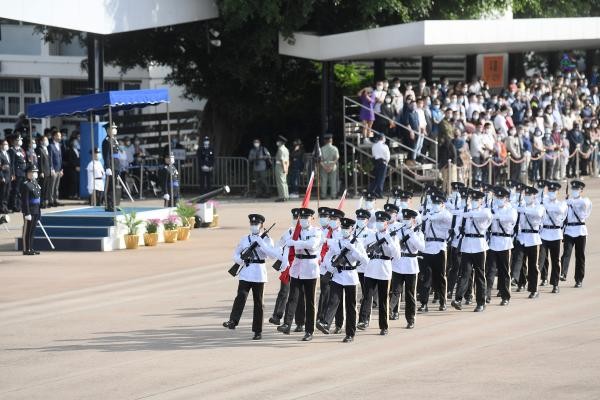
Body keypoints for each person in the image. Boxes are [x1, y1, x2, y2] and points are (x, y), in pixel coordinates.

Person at [222, 214, 279, 340]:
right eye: (252, 224)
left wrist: (261, 243)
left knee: (258, 303)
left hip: (259, 274)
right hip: (246, 272)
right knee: (240, 297)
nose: (254, 226)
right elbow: (236, 254)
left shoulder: (267, 240)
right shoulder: (244, 239)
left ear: (262, 225)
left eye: (256, 224)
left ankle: (258, 331)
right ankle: (233, 321)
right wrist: (240, 260)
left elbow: (272, 255)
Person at [316, 217, 369, 342]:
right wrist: (331, 266)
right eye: (343, 228)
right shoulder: (337, 242)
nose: (345, 230)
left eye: (347, 228)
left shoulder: (357, 243)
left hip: (351, 277)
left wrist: (353, 249)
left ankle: (350, 334)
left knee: (351, 306)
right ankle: (326, 323)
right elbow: (327, 257)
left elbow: (365, 260)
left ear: (352, 229)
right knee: (333, 300)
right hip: (338, 275)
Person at [277, 207, 322, 341]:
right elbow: (282, 243)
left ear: (312, 218)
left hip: (310, 268)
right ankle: (287, 324)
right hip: (296, 267)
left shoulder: (316, 231)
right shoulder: (294, 231)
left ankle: (309, 331)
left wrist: (295, 243)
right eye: (301, 218)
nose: (303, 220)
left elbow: (312, 245)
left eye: (306, 217)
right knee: (292, 297)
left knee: (310, 301)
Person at [357, 211, 400, 335]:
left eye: (382, 221)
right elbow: (362, 247)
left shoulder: (392, 237)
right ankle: (363, 320)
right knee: (367, 296)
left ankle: (384, 326)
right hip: (371, 268)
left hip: (384, 270)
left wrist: (389, 242)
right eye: (378, 221)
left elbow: (397, 255)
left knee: (383, 299)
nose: (379, 223)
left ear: (387, 223)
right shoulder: (372, 235)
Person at [451, 189, 492, 312]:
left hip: (479, 246)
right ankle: (458, 299)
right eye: (472, 199)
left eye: (476, 200)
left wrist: (468, 214)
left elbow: (487, 216)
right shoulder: (466, 212)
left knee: (480, 275)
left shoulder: (484, 211)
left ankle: (481, 302)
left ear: (481, 201)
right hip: (467, 245)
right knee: (464, 274)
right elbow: (457, 226)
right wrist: (460, 229)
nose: (474, 202)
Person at [269, 208, 305, 330]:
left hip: (299, 267)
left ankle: (300, 323)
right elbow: (278, 247)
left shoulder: (304, 233)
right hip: (287, 266)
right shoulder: (287, 233)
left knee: (299, 295)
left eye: (298, 218)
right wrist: (282, 257)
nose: (296, 220)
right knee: (283, 292)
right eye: (294, 218)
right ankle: (277, 316)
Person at [389, 208, 425, 329]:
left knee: (410, 294)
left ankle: (410, 319)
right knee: (395, 291)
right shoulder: (398, 231)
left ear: (413, 220)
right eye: (404, 218)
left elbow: (422, 247)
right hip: (398, 264)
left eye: (408, 219)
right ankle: (390, 310)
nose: (405, 221)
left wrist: (412, 235)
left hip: (411, 266)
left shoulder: (418, 233)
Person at [418, 192, 452, 312]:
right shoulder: (428, 213)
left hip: (440, 247)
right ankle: (424, 303)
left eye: (438, 203)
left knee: (440, 276)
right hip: (427, 247)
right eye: (434, 203)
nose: (436, 205)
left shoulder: (446, 214)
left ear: (443, 204)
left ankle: (443, 302)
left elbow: (439, 217)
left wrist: (427, 215)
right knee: (426, 277)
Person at [485, 186, 518, 306]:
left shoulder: (511, 210)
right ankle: (486, 295)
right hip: (493, 242)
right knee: (490, 271)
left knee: (504, 272)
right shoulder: (492, 209)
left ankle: (505, 296)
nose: (499, 199)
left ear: (506, 199)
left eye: (501, 197)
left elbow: (510, 219)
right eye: (497, 197)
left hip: (505, 242)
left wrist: (495, 216)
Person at [511, 186, 545, 298]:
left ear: (534, 196)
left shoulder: (539, 207)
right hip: (522, 237)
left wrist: (522, 209)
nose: (527, 197)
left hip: (533, 238)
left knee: (533, 265)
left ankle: (534, 290)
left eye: (529, 195)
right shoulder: (521, 207)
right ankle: (517, 280)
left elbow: (538, 214)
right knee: (518, 260)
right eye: (526, 195)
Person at [316, 207, 344, 332]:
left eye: (334, 219)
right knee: (325, 294)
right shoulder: (325, 232)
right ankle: (322, 319)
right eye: (330, 218)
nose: (331, 220)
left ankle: (339, 324)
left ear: (339, 221)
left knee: (337, 297)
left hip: (339, 269)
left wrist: (330, 241)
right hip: (325, 267)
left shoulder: (343, 233)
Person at [560, 180, 592, 287]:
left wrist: (570, 202)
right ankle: (563, 273)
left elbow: (584, 204)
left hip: (580, 231)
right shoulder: (567, 202)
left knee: (580, 256)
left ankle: (579, 279)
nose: (574, 191)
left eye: (576, 189)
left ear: (581, 190)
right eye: (573, 189)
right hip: (569, 230)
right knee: (566, 253)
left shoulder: (585, 200)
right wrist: (566, 202)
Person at [538, 181, 567, 293]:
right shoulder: (543, 201)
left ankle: (555, 284)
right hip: (544, 233)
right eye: (549, 191)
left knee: (555, 260)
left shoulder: (561, 204)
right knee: (541, 259)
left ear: (557, 192)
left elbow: (561, 211)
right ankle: (540, 279)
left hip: (555, 234)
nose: (551, 193)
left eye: (553, 191)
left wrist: (546, 207)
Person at [21, 164, 41, 256]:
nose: (34, 174)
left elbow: (38, 200)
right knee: (27, 231)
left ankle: (31, 248)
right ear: (28, 174)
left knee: (32, 231)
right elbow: (25, 201)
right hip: (30, 211)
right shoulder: (26, 185)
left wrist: (39, 212)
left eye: (35, 172)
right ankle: (26, 249)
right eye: (32, 172)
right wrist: (27, 213)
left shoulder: (36, 184)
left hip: (36, 210)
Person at [102, 123, 120, 212]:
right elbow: (106, 155)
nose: (114, 129)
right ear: (108, 130)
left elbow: (117, 155)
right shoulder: (107, 141)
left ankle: (113, 204)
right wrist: (108, 167)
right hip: (111, 166)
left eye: (115, 128)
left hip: (116, 166)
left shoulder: (114, 140)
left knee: (114, 187)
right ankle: (108, 205)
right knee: (110, 187)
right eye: (112, 128)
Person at [368, 133, 390, 198]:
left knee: (377, 178)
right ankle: (379, 193)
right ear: (382, 138)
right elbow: (387, 155)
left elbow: (373, 154)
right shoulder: (385, 146)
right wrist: (387, 162)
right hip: (383, 163)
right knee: (381, 178)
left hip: (376, 162)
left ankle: (371, 191)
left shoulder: (374, 145)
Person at [8, 134, 27, 211]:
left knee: (20, 190)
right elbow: (12, 163)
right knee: (16, 190)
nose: (20, 141)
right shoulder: (12, 150)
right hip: (17, 172)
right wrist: (12, 174)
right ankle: (14, 205)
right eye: (18, 140)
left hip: (23, 172)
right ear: (14, 141)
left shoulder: (21, 149)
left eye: (20, 139)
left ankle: (19, 205)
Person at [319, 133, 339, 200]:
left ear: (325, 141)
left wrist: (325, 167)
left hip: (324, 165)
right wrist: (331, 166)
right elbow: (336, 158)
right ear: (331, 140)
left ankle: (323, 195)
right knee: (333, 181)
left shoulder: (321, 149)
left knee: (323, 181)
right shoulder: (334, 148)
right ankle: (333, 195)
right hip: (332, 165)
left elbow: (320, 159)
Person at [36, 136, 51, 209]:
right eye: (45, 140)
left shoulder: (46, 149)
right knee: (42, 187)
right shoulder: (40, 149)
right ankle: (41, 202)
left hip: (47, 171)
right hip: (43, 171)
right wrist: (41, 171)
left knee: (46, 188)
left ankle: (45, 201)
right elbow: (40, 162)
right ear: (41, 141)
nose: (47, 141)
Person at [274, 135, 289, 202]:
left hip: (280, 166)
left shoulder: (280, 149)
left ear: (281, 142)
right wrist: (286, 168)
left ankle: (282, 196)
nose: (277, 142)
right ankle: (286, 196)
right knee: (284, 182)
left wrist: (284, 168)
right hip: (285, 166)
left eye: (278, 141)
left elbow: (282, 160)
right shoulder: (286, 149)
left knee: (280, 182)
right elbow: (287, 160)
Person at [0, 140, 11, 214]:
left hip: (8, 176)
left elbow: (10, 165)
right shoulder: (0, 154)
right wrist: (2, 177)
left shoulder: (7, 153)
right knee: (2, 193)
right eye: (4, 144)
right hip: (3, 176)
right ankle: (2, 208)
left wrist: (12, 175)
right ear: (1, 145)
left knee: (7, 192)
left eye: (7, 144)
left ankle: (5, 207)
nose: (6, 145)